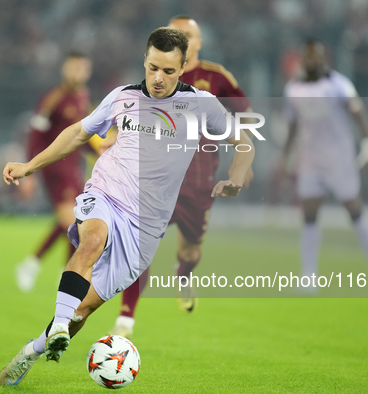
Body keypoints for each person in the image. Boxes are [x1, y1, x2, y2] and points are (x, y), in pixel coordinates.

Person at [0, 27, 255, 386]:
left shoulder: (200, 104)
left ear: (182, 70)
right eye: (152, 68)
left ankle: (35, 348)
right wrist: (29, 166)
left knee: (83, 310)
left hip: (145, 228)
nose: (158, 78)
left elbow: (244, 142)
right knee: (92, 239)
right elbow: (77, 133)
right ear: (144, 62)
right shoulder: (122, 97)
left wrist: (238, 176)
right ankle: (58, 324)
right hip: (107, 193)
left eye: (167, 71)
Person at [109, 15, 252, 339]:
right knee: (139, 248)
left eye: (187, 35)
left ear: (197, 44)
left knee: (190, 252)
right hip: (157, 180)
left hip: (198, 183)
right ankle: (126, 318)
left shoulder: (216, 79)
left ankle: (183, 275)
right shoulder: (157, 78)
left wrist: (244, 163)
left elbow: (243, 114)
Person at [280, 39, 368, 287]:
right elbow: (292, 127)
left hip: (339, 158)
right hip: (310, 160)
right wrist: (286, 159)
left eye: (316, 55)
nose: (312, 60)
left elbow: (359, 114)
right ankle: (308, 277)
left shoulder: (339, 84)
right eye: (307, 56)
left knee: (354, 210)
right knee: (308, 215)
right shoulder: (293, 89)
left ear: (323, 57)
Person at [15, 52, 92, 292]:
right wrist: (29, 170)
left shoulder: (83, 97)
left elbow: (83, 135)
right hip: (55, 167)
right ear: (64, 70)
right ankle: (53, 269)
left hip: (74, 166)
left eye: (82, 68)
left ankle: (37, 265)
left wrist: (103, 153)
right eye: (73, 68)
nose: (78, 73)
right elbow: (35, 135)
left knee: (74, 220)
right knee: (74, 221)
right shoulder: (52, 98)